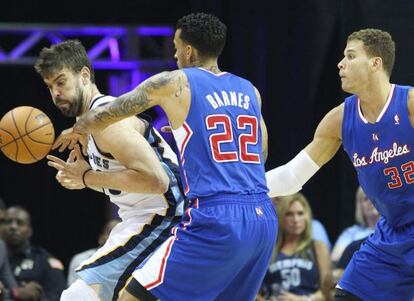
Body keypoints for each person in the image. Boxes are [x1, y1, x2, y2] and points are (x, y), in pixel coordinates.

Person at [73, 12, 277, 301]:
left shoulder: (175, 82)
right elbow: (261, 153)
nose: (174, 53)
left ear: (189, 51)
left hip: (216, 217)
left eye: (175, 46)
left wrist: (79, 128)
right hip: (263, 219)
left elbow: (111, 111)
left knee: (129, 298)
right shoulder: (250, 91)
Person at [266, 28, 414, 300]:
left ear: (375, 63)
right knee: (345, 295)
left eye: (350, 56)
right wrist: (241, 188)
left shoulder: (409, 104)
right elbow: (292, 176)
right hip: (391, 234)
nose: (340, 63)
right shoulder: (339, 119)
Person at [34, 39, 185, 301]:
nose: (56, 93)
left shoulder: (107, 121)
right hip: (147, 219)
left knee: (78, 297)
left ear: (84, 75)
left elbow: (156, 181)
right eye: (50, 87)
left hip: (166, 217)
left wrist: (85, 177)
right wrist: (86, 177)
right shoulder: (92, 122)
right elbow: (129, 179)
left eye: (61, 82)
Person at [259, 193, 330, 301]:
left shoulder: (318, 247)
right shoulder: (267, 249)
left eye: (300, 213)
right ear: (281, 216)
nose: (296, 220)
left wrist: (302, 299)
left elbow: (327, 292)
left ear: (307, 216)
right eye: (289, 214)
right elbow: (254, 291)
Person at [3, 206, 66, 301]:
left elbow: (58, 296)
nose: (13, 227)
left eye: (20, 223)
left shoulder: (44, 260)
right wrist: (16, 294)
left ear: (29, 231)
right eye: (8, 222)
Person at [330, 186, 378, 262]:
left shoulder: (393, 229)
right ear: (360, 206)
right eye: (366, 199)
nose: (371, 201)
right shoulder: (351, 233)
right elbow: (335, 258)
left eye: (374, 196)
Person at [66, 218, 120, 286]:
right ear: (101, 238)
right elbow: (74, 293)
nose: (116, 238)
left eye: (121, 234)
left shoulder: (131, 262)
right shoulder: (81, 261)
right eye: (110, 233)